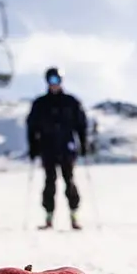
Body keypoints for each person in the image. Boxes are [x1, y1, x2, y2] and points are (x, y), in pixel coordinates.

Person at [26, 67, 88, 230]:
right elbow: (32, 127)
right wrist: (33, 147)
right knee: (49, 182)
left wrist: (83, 143)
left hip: (67, 148)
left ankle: (74, 216)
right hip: (48, 148)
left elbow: (81, 124)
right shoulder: (40, 104)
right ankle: (48, 217)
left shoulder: (71, 102)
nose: (54, 84)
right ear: (47, 82)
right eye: (51, 81)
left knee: (69, 181)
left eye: (57, 80)